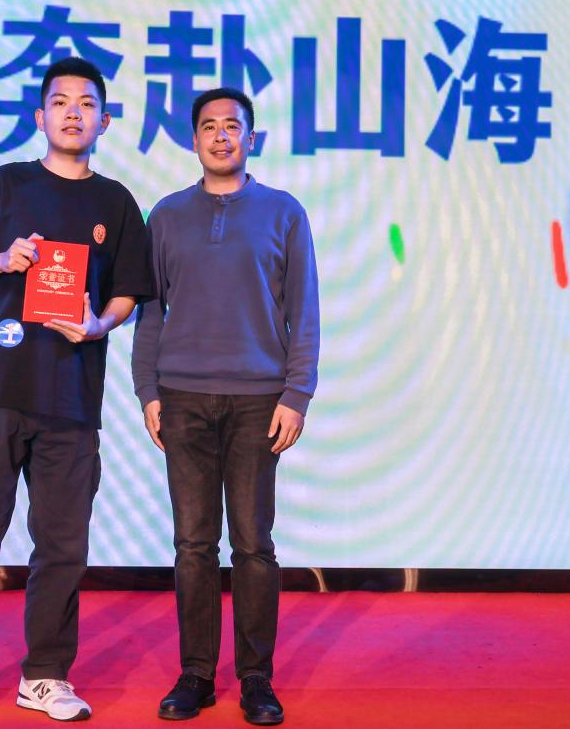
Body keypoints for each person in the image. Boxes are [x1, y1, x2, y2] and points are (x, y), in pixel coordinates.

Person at [0, 57, 154, 727]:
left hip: (71, 401)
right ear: (40, 116)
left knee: (61, 548)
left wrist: (98, 323)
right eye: (60, 102)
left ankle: (46, 675)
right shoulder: (3, 185)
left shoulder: (116, 203)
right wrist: (4, 259)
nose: (73, 112)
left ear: (104, 121)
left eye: (86, 103)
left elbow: (127, 294)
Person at [131, 87, 320, 725]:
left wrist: (296, 394)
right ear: (194, 140)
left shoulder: (284, 213)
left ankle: (256, 679)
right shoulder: (166, 216)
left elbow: (304, 313)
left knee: (253, 545)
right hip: (182, 398)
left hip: (257, 402)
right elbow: (150, 313)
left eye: (232, 126)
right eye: (208, 126)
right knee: (192, 544)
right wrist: (148, 390)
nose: (220, 135)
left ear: (251, 138)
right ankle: (196, 675)